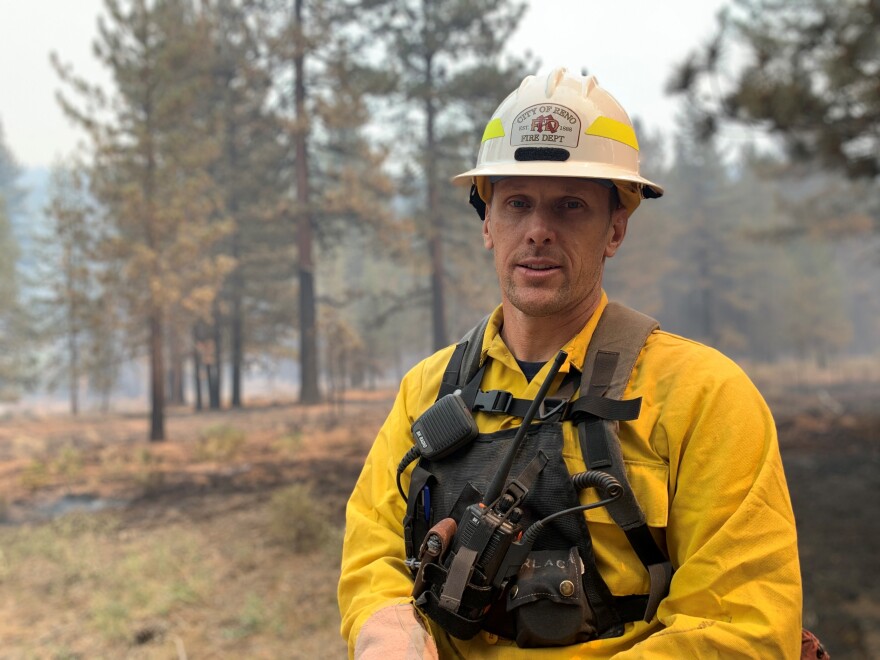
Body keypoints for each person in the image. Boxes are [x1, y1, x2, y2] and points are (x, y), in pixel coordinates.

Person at [338, 67, 803, 658]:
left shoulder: (703, 396)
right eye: (517, 204)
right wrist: (388, 628)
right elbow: (373, 547)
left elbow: (744, 622)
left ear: (616, 228)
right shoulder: (428, 390)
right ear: (487, 222)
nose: (537, 231)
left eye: (570, 206)